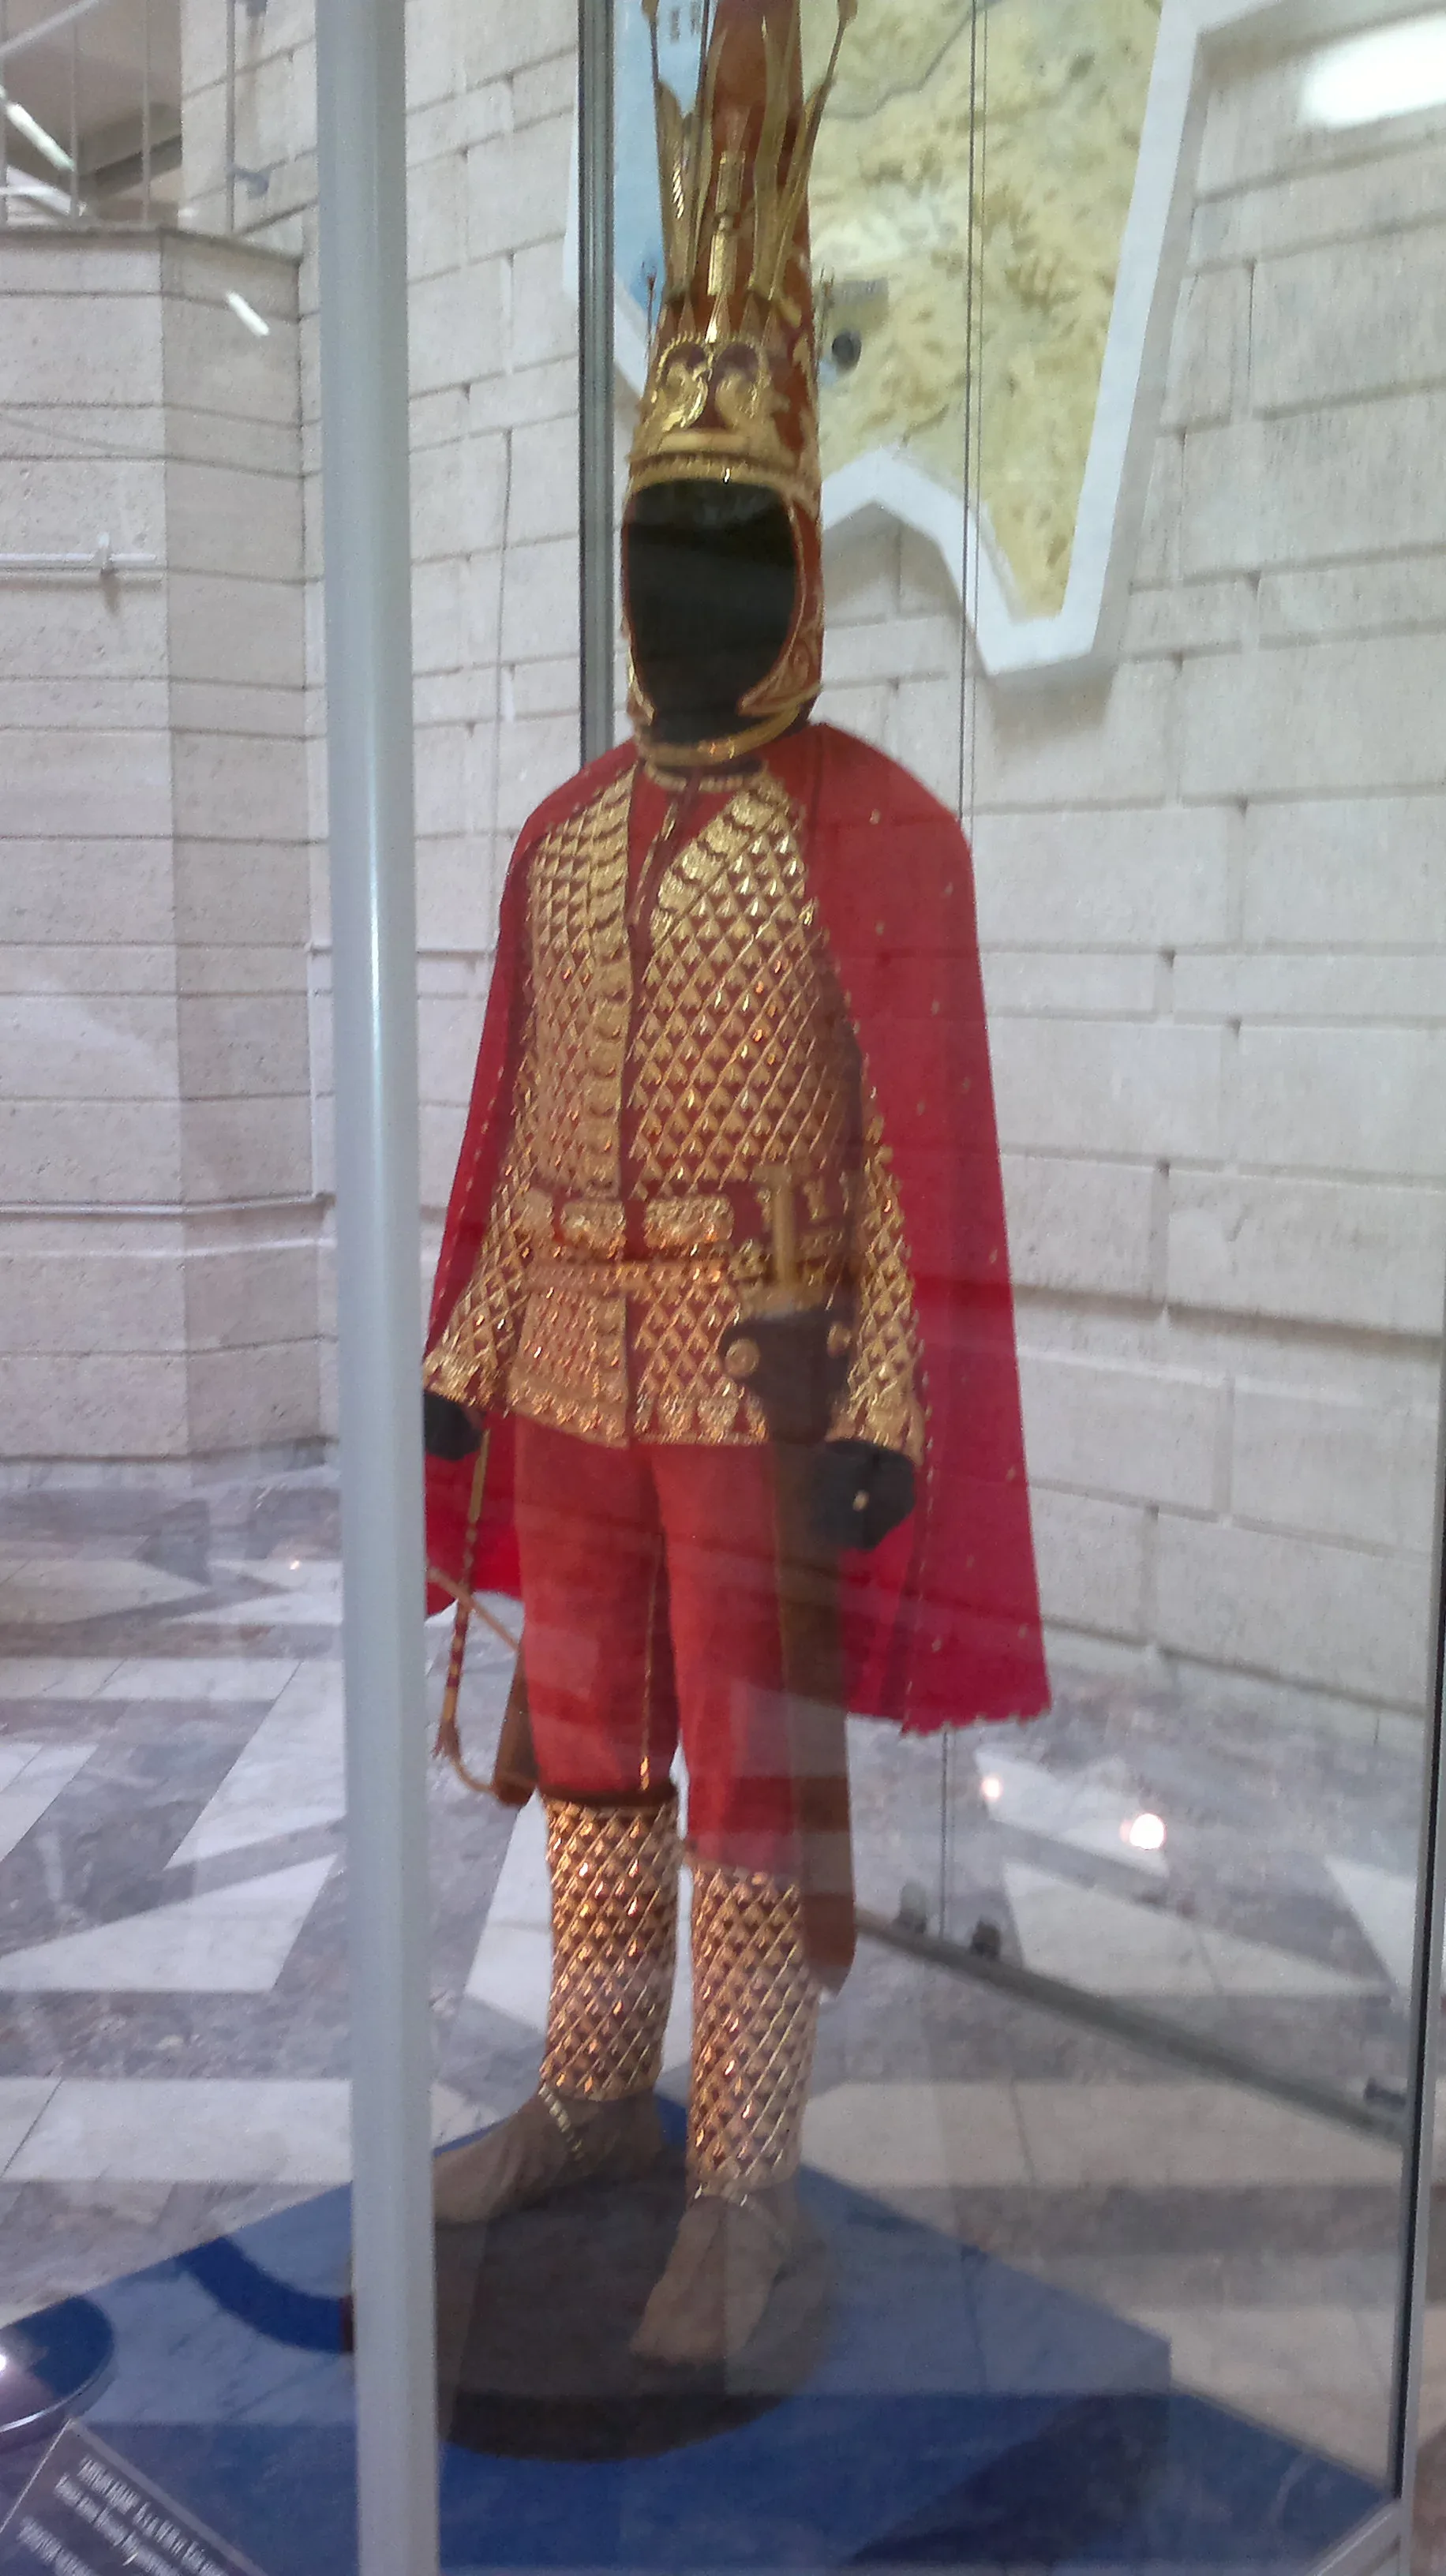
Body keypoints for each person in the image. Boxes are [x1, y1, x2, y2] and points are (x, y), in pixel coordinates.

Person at [421, 0, 1047, 2369]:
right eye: (656, 544)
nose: (684, 589)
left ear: (794, 557)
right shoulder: (563, 845)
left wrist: (885, 1394)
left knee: (748, 1778)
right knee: (591, 1742)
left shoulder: (871, 834)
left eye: (725, 545)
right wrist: (460, 1367)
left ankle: (750, 2187)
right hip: (572, 1361)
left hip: (766, 1371)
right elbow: (506, 1134)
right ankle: (593, 2088)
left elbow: (908, 1157)